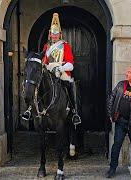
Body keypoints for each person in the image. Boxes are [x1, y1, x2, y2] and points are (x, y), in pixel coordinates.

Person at [42, 13, 81, 156]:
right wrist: (47, 67)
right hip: (49, 73)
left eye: (57, 33)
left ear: (60, 34)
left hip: (63, 74)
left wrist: (61, 67)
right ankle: (30, 110)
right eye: (53, 33)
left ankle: (74, 112)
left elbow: (71, 64)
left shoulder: (65, 46)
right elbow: (44, 62)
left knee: (70, 87)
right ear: (50, 34)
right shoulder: (47, 46)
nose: (55, 36)